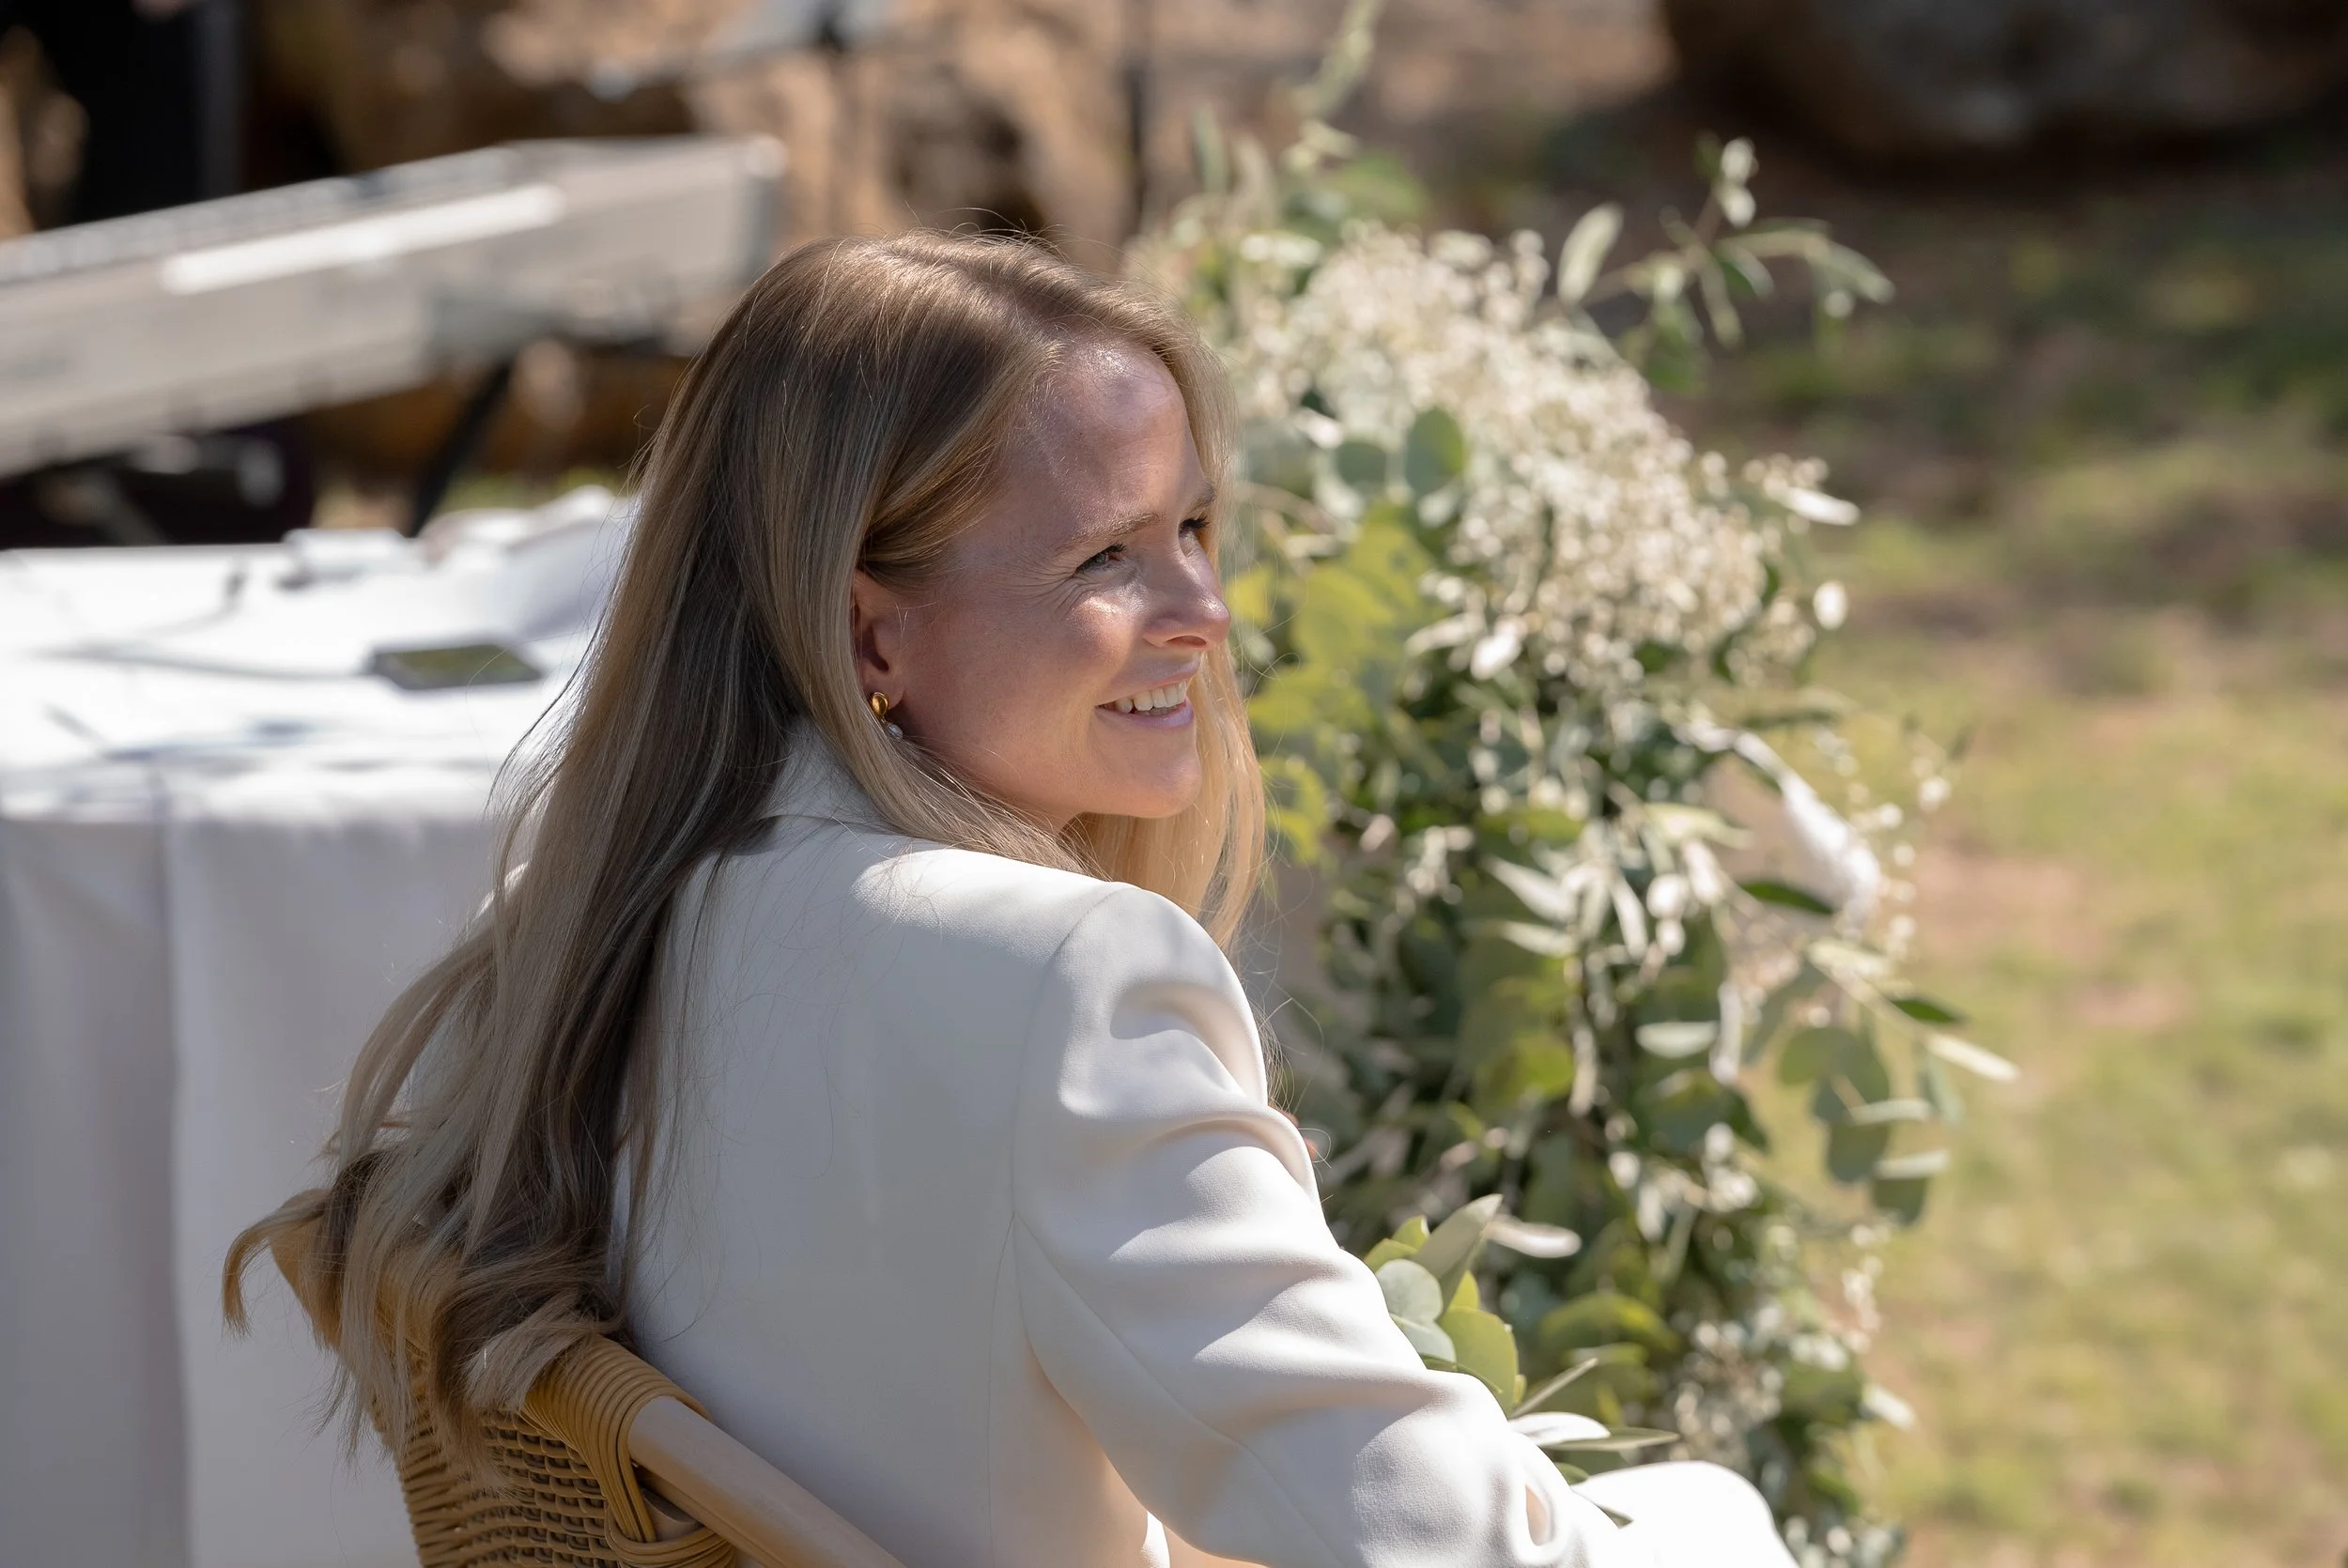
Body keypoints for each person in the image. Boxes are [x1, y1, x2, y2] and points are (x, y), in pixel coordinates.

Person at [227, 233, 1794, 1568]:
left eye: (1194, 524)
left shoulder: (608, 920)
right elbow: (1417, 1533)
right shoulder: (1067, 983)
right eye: (1108, 557)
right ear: (873, 640)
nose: (1203, 610)